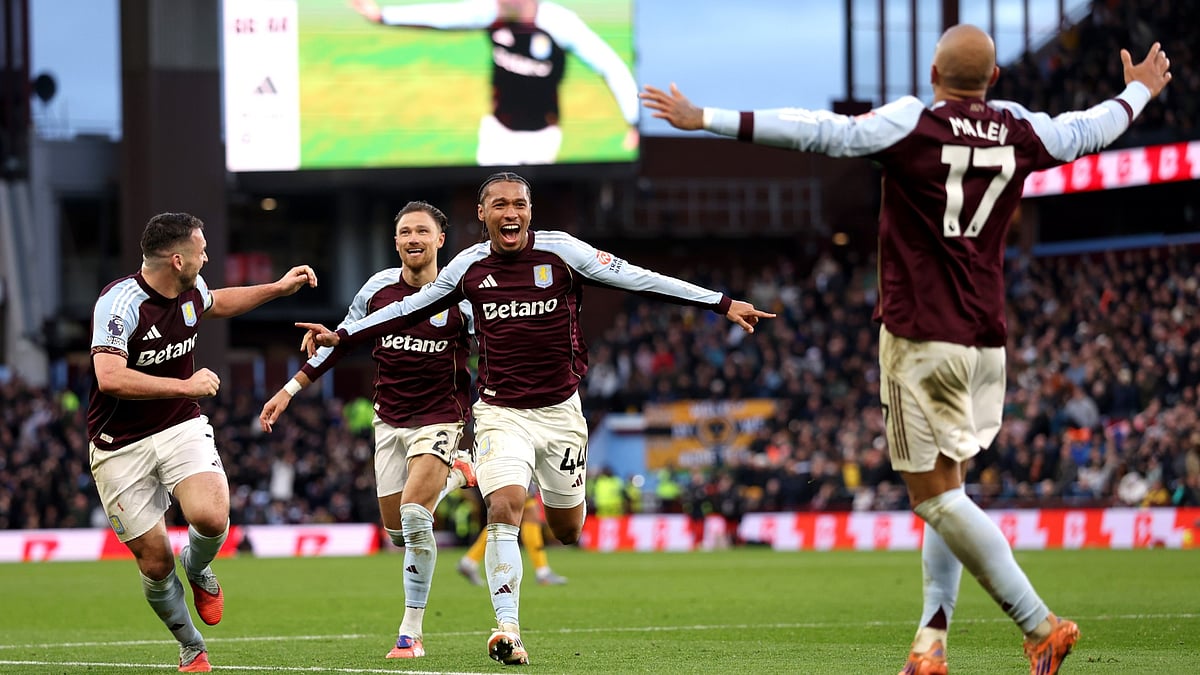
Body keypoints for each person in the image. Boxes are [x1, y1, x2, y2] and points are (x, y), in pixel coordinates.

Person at [641, 25, 1171, 675]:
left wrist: (708, 118)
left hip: (920, 337)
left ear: (931, 72)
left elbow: (818, 131)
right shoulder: (1020, 129)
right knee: (951, 491)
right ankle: (931, 639)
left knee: (934, 498)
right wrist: (1139, 91)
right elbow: (1091, 127)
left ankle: (1039, 624)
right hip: (985, 344)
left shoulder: (911, 124)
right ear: (995, 80)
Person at [298, 171, 774, 665]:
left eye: (519, 204)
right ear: (481, 216)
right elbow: (410, 308)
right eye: (499, 205)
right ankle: (508, 629)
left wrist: (720, 303)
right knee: (504, 506)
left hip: (561, 414)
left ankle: (476, 483)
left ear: (530, 210)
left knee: (567, 529)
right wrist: (343, 336)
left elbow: (637, 276)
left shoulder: (562, 252)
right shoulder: (467, 266)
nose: (511, 213)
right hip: (500, 411)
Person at [87, 212, 317, 673]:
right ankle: (192, 647)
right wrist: (185, 386)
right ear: (176, 259)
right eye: (201, 250)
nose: (207, 256)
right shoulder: (120, 303)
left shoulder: (190, 290)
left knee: (212, 517)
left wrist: (276, 289)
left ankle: (197, 567)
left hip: (179, 427)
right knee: (154, 562)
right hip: (119, 444)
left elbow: (219, 302)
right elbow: (108, 377)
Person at [258, 201, 476, 660]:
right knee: (397, 532)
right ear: (395, 241)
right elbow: (341, 341)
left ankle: (410, 633)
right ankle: (457, 472)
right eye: (404, 232)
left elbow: (494, 348)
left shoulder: (461, 293)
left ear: (441, 239)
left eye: (422, 231)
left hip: (441, 414)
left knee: (417, 516)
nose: (413, 239)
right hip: (389, 420)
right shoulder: (377, 289)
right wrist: (288, 390)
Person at [349, 0, 639, 165]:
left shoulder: (560, 23)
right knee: (490, 204)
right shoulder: (493, 13)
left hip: (542, 136)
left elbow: (610, 66)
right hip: (498, 131)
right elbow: (442, 17)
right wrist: (384, 17)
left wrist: (634, 121)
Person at [456, 483, 569, 587]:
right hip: (511, 469)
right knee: (506, 517)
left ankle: (469, 561)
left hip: (509, 469)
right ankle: (542, 572)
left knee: (523, 513)